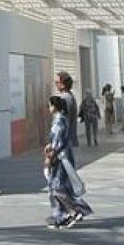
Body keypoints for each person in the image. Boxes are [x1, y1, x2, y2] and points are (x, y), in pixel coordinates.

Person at [43, 94, 90, 230]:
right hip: (62, 155)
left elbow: (58, 141)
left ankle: (72, 212)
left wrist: (50, 155)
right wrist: (50, 144)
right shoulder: (60, 119)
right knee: (59, 187)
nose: (48, 108)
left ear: (54, 106)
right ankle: (63, 215)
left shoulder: (59, 121)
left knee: (57, 187)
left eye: (49, 105)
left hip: (60, 157)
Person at [54, 72, 80, 164]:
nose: (55, 85)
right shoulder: (69, 96)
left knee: (63, 171)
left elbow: (63, 121)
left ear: (63, 84)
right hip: (66, 140)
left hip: (64, 140)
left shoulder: (65, 99)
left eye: (57, 82)